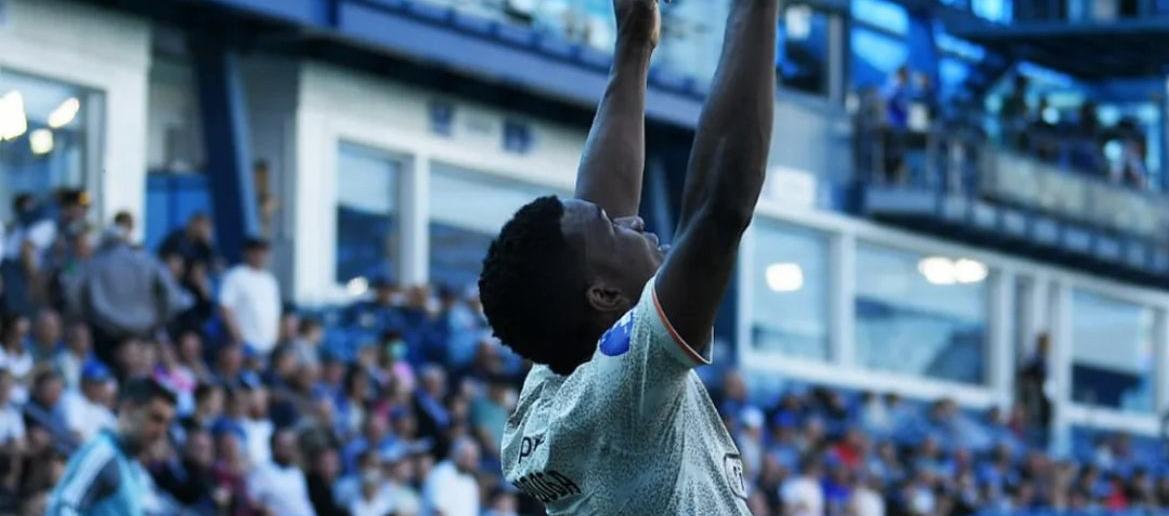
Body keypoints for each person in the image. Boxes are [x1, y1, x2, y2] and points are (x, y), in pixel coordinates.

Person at [481, 0, 777, 511]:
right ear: (603, 295)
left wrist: (635, 42)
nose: (633, 219)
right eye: (614, 230)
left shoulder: (560, 376)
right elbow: (720, 208)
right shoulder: (622, 387)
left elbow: (598, 208)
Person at [46, 377, 177, 515]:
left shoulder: (134, 470)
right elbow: (62, 508)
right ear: (129, 408)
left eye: (166, 424)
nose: (161, 432)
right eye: (156, 418)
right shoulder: (103, 453)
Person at [77, 218, 189, 368]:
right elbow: (172, 298)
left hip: (106, 334)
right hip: (144, 331)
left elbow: (75, 298)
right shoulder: (148, 261)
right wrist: (159, 320)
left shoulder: (92, 265)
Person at [219, 237, 281, 354]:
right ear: (247, 253)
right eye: (256, 252)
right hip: (246, 346)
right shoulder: (235, 276)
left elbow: (276, 313)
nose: (260, 256)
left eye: (263, 252)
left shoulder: (270, 280)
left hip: (268, 347)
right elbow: (225, 308)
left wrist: (276, 341)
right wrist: (240, 340)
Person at [247, 427, 316, 516]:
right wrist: (264, 510)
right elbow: (251, 500)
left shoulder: (296, 473)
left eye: (291, 446)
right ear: (273, 447)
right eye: (284, 446)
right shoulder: (262, 471)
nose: (289, 450)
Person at [422, 437, 480, 516]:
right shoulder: (442, 474)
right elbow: (438, 511)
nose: (474, 463)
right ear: (458, 455)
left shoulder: (470, 481)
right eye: (469, 457)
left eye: (475, 458)